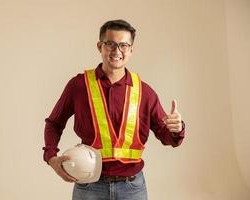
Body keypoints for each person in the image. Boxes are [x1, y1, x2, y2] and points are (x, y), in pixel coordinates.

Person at [42, 19, 186, 200]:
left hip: (132, 188)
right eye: (110, 44)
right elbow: (54, 123)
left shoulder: (145, 92)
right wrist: (51, 157)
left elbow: (169, 139)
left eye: (124, 45)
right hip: (89, 187)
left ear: (131, 50)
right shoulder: (78, 86)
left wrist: (177, 129)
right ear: (100, 46)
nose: (117, 51)